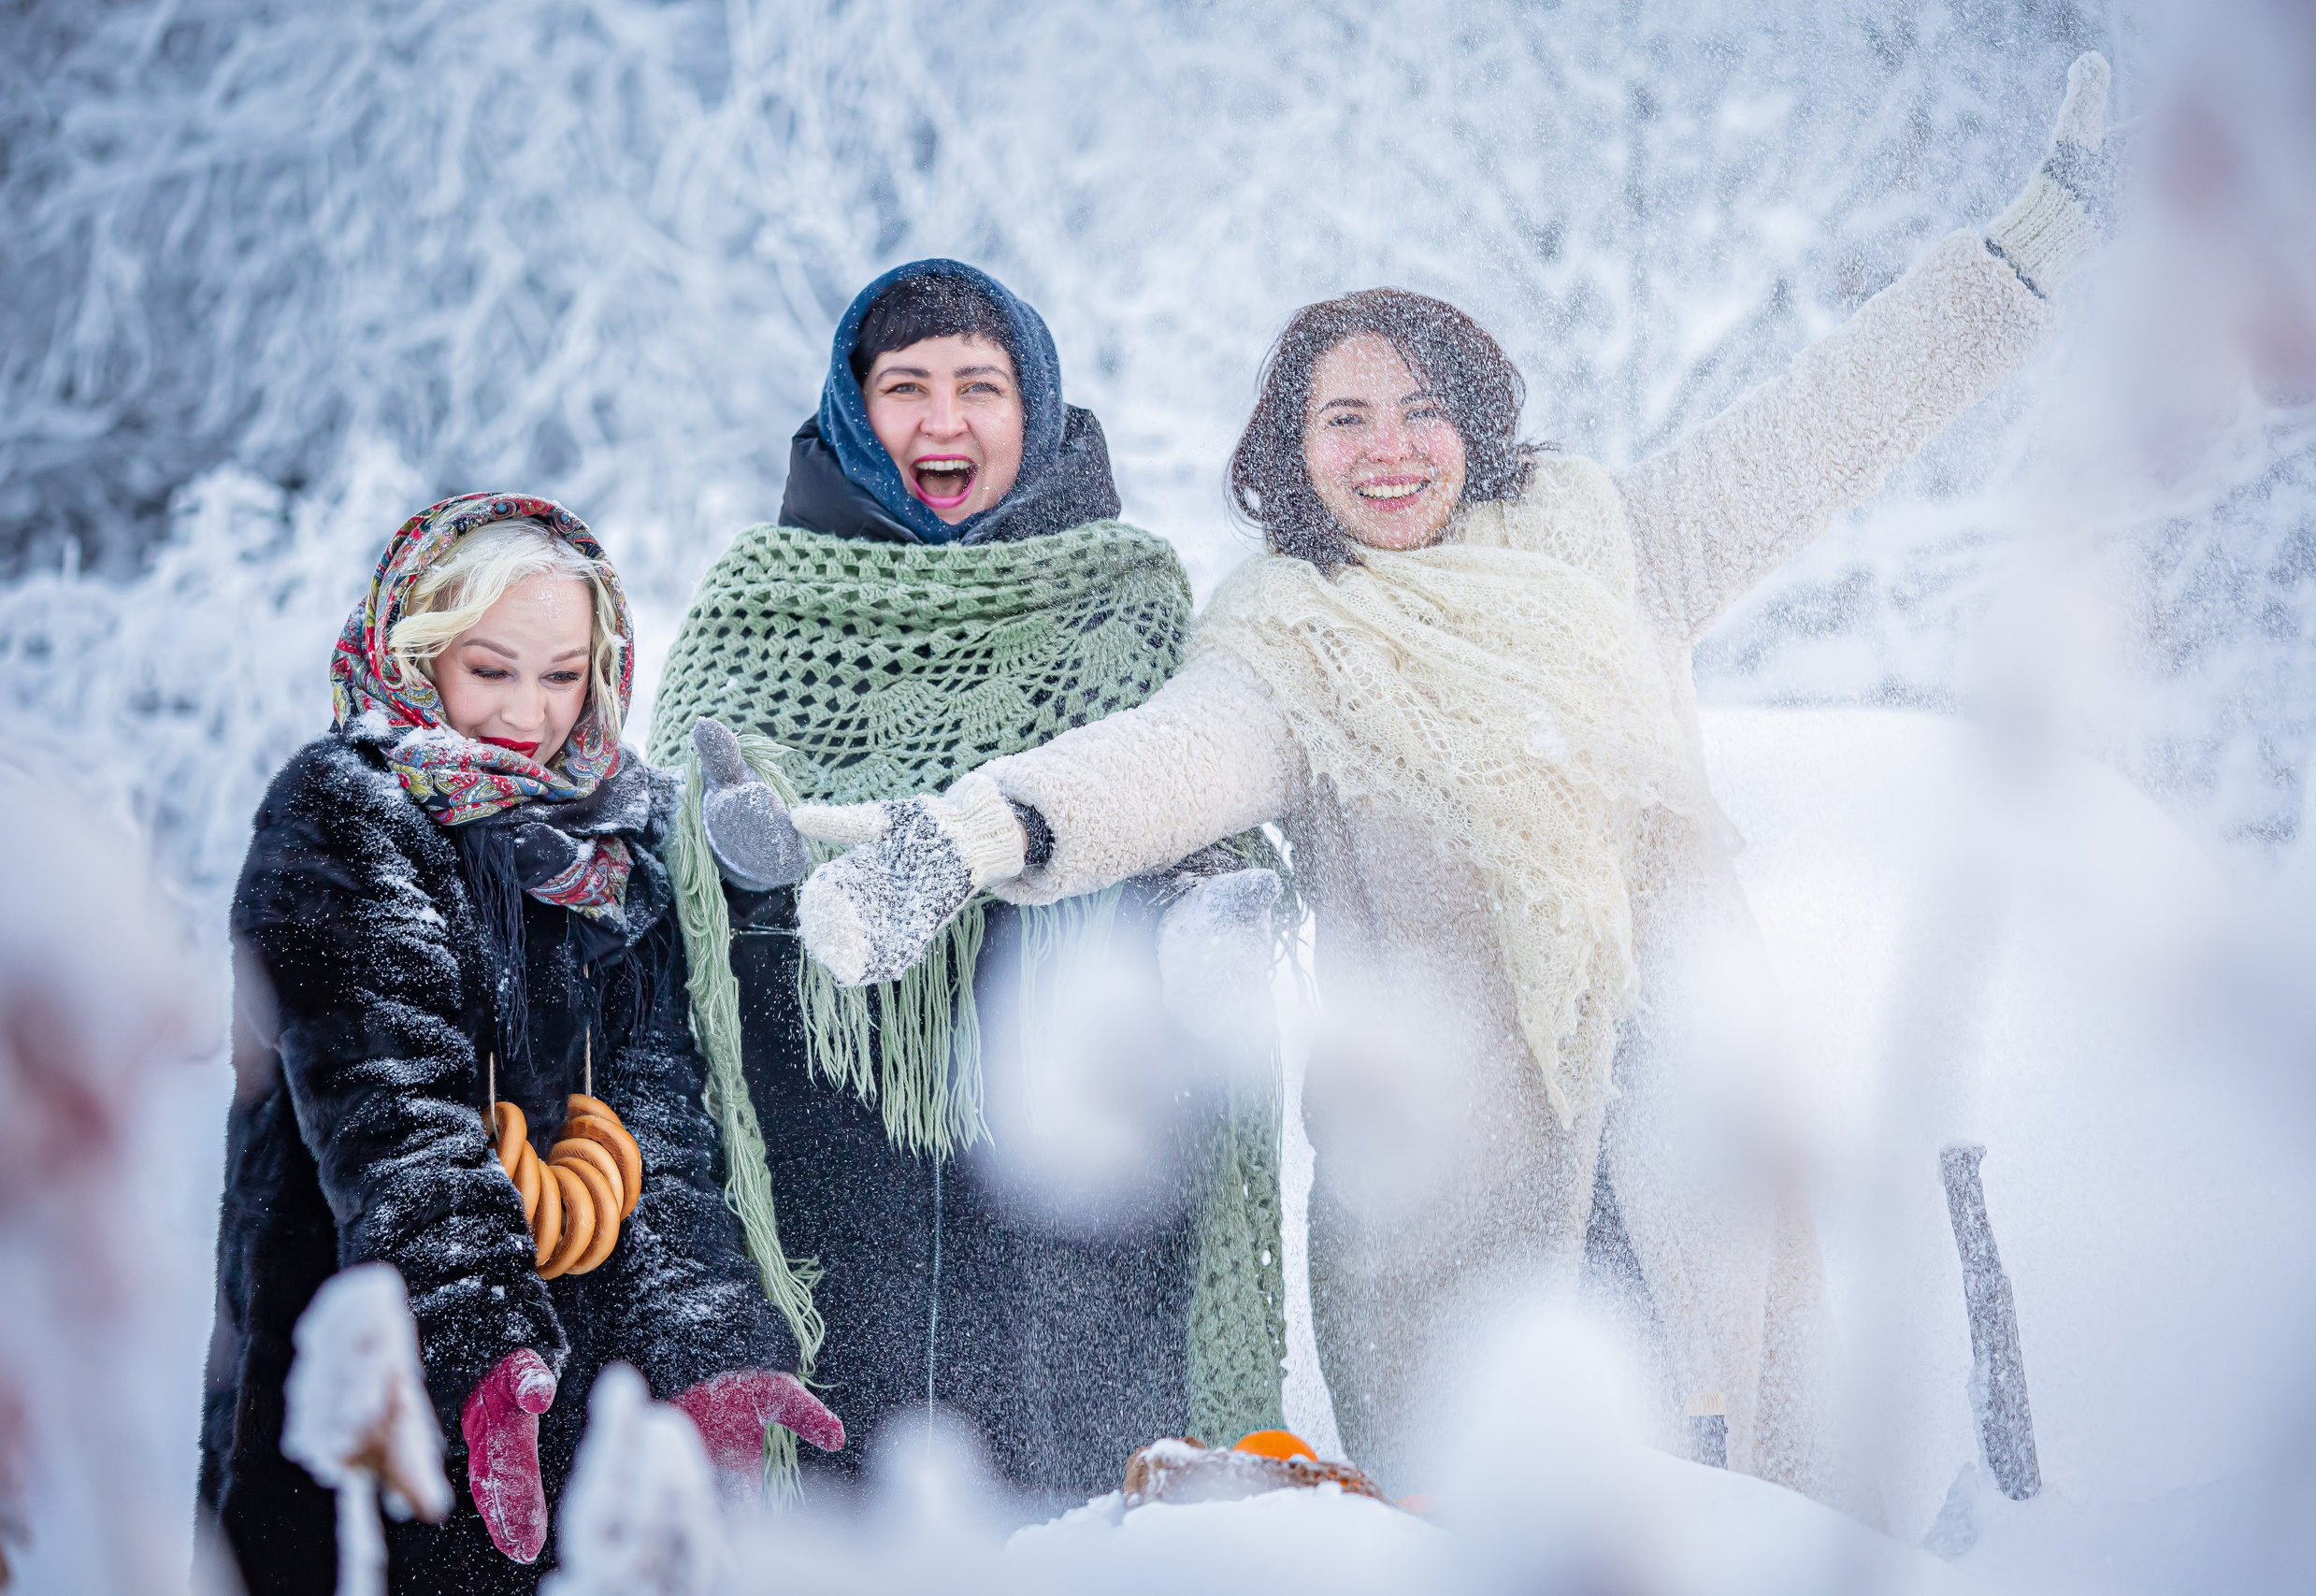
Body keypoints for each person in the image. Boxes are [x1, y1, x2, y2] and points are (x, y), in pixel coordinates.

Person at [712, 58, 2124, 1510]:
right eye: (1343, 418)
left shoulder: (1617, 549)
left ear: (1478, 423)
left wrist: (2028, 253)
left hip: (1693, 1155)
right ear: (1291, 452)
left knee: (1743, 1511)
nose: (1388, 449)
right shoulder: (1287, 646)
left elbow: (1830, 415)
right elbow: (1153, 763)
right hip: (1465, 1212)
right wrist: (966, 834)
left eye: (1418, 410)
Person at [648, 261, 1287, 1507]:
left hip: (1076, 1202)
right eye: (906, 388)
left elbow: (1188, 793)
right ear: (853, 411)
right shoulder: (755, 609)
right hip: (831, 1187)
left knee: (1084, 1520)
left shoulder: (1128, 610)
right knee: (842, 1526)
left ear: (1035, 408)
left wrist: (1202, 905)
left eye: (980, 387)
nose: (944, 423)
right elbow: (664, 910)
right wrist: (741, 863)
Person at [199, 494, 842, 1596]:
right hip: (373, 1356)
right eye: (491, 671)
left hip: (567, 1377)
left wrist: (703, 1345)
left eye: (562, 676)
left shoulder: (612, 840)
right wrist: (484, 1353)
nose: (527, 715)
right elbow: (400, 1120)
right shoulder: (345, 814)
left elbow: (655, 1112)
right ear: (418, 653)